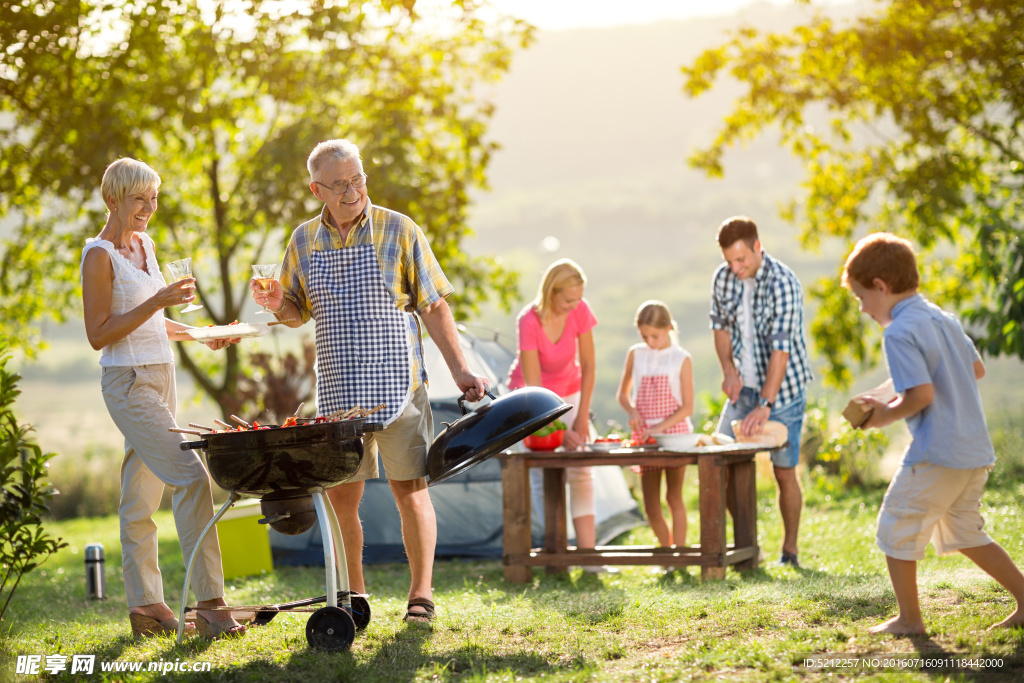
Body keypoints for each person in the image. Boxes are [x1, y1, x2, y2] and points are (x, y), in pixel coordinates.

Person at [251, 139, 489, 626]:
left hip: (399, 387)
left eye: (357, 178)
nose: (352, 190)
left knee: (411, 490)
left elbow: (434, 306)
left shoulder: (399, 229)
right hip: (339, 392)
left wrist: (461, 369)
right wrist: (277, 302)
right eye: (339, 184)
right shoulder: (303, 240)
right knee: (343, 499)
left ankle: (420, 595)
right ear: (316, 189)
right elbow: (296, 312)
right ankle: (353, 599)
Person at [81, 158, 245, 639]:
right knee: (192, 476)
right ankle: (212, 605)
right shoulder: (99, 255)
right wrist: (156, 300)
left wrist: (199, 334)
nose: (149, 208)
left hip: (161, 376)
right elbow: (99, 334)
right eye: (140, 199)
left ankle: (147, 608)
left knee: (139, 497)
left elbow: (154, 324)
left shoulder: (145, 245)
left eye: (153, 198)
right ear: (114, 199)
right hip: (128, 382)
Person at [843, 232, 1024, 634]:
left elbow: (921, 394)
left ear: (881, 287)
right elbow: (974, 370)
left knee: (895, 522)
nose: (863, 309)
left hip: (936, 452)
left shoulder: (897, 332)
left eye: (862, 299)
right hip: (973, 449)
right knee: (964, 531)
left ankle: (910, 620)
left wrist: (881, 416)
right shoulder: (942, 317)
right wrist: (890, 388)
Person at [709, 216, 812, 567]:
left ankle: (791, 552)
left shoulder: (783, 282)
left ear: (757, 246)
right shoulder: (723, 278)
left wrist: (765, 404)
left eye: (742, 260)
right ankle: (748, 549)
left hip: (783, 392)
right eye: (729, 261)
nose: (735, 268)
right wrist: (729, 371)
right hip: (744, 389)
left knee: (784, 472)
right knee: (718, 462)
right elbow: (719, 327)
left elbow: (781, 351)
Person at [506, 259, 602, 569]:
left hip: (571, 392)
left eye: (578, 299)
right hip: (532, 399)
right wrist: (562, 430)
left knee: (581, 469)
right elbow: (535, 391)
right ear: (551, 292)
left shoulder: (580, 310)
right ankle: (555, 557)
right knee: (541, 474)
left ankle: (588, 556)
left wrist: (582, 416)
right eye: (568, 300)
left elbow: (588, 366)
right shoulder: (528, 321)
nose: (574, 305)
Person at [616, 300, 694, 549]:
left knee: (673, 497)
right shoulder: (635, 354)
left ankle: (680, 556)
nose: (650, 341)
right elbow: (623, 394)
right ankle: (667, 551)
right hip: (645, 438)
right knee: (650, 504)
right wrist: (632, 411)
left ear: (670, 328)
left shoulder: (681, 358)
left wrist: (660, 428)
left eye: (655, 336)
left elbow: (688, 408)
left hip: (675, 437)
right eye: (645, 336)